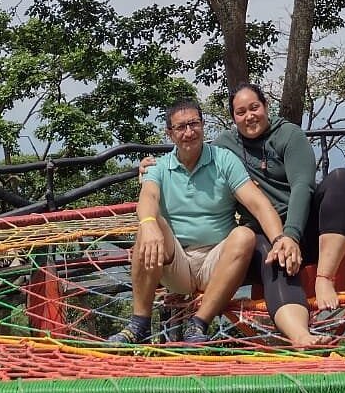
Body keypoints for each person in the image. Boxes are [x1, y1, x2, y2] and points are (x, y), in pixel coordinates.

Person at [110, 99, 296, 346]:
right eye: (181, 127)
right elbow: (149, 196)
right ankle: (139, 323)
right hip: (177, 262)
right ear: (170, 134)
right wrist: (147, 222)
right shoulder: (159, 166)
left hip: (217, 264)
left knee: (244, 235)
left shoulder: (224, 160)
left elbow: (258, 204)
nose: (189, 132)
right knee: (150, 226)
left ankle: (199, 323)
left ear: (203, 125)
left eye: (194, 124)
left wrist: (280, 239)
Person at [214, 82, 345, 346]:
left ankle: (324, 278)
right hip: (262, 235)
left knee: (342, 180)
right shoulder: (224, 146)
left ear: (266, 106)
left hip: (304, 229)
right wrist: (153, 168)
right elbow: (191, 161)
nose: (249, 116)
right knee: (275, 256)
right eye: (240, 112)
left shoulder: (289, 135)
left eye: (254, 107)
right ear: (233, 118)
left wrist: (291, 234)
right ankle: (301, 336)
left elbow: (302, 186)